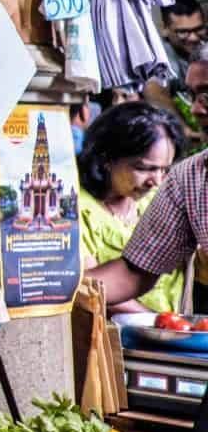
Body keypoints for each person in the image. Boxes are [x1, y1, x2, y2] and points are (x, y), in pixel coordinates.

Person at [75, 103, 185, 314]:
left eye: (164, 169)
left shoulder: (158, 200)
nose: (156, 181)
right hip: (116, 339)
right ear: (107, 158)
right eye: (144, 168)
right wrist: (156, 323)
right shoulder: (80, 209)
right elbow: (87, 288)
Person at [161, 0, 206, 79]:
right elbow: (154, 88)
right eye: (183, 32)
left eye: (199, 29)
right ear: (164, 29)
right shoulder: (161, 58)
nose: (194, 38)